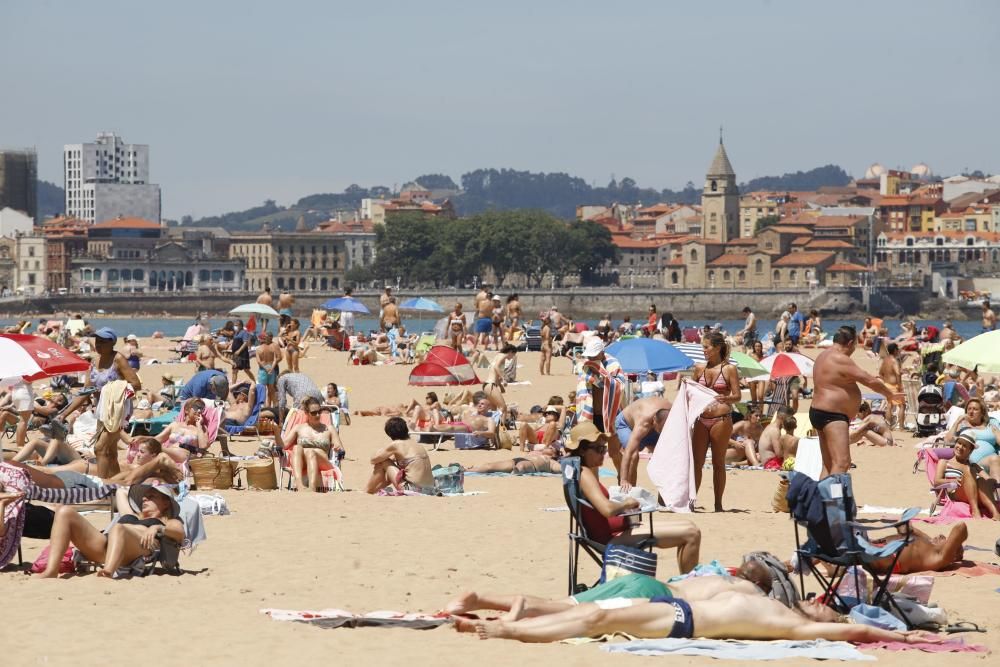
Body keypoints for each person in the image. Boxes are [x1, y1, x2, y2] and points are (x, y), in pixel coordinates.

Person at [453, 588, 939, 645]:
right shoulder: (771, 600)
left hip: (683, 623)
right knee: (598, 613)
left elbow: (852, 627)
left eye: (819, 604)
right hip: (676, 609)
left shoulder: (796, 625)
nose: (813, 601)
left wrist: (908, 640)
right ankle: (510, 627)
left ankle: (507, 630)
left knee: (595, 619)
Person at [566, 421, 701, 573]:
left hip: (620, 530)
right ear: (582, 450)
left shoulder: (583, 470)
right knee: (691, 534)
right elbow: (607, 509)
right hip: (612, 539)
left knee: (690, 526)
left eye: (603, 448)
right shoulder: (584, 474)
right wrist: (627, 503)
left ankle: (686, 582)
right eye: (598, 449)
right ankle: (689, 586)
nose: (603, 453)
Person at [810, 326, 904, 477]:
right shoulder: (840, 358)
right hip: (833, 415)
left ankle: (822, 498)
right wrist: (889, 394)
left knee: (828, 464)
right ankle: (833, 499)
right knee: (842, 463)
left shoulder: (822, 356)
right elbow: (868, 380)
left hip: (818, 412)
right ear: (850, 343)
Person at [36, 483, 184, 578]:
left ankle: (108, 572)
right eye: (143, 497)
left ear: (166, 503)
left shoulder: (168, 521)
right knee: (64, 511)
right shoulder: (130, 515)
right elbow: (121, 492)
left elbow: (179, 533)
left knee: (119, 528)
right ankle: (51, 570)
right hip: (104, 545)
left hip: (134, 550)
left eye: (151, 497)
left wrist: (157, 527)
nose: (144, 499)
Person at [692, 332, 741, 511]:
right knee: (696, 462)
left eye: (706, 347)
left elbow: (737, 396)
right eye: (703, 347)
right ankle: (692, 501)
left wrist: (725, 399)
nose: (703, 350)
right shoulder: (699, 369)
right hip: (701, 419)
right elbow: (691, 393)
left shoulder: (729, 369)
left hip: (720, 420)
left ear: (718, 347)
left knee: (718, 463)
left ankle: (718, 504)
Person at [575, 338, 627, 471]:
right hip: (592, 414)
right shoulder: (587, 365)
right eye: (590, 355)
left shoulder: (612, 364)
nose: (591, 357)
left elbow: (619, 386)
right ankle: (595, 484)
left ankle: (622, 477)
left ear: (602, 352)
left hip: (610, 415)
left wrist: (602, 374)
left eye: (594, 355)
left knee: (614, 451)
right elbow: (582, 387)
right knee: (592, 452)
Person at [282, 397, 345, 492]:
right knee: (296, 448)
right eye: (314, 413)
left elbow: (339, 447)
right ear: (306, 413)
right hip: (302, 462)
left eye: (319, 411)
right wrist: (275, 431)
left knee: (310, 452)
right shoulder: (298, 428)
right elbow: (284, 445)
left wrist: (339, 450)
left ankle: (312, 487)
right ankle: (300, 486)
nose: (318, 415)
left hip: (322, 462)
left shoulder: (329, 429)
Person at [934, 433, 999, 520]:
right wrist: (950, 481)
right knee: (968, 470)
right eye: (959, 443)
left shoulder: (974, 465)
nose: (960, 447)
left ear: (970, 450)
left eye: (964, 446)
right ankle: (975, 511)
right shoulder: (944, 462)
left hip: (977, 495)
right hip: (956, 493)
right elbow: (936, 481)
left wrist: (992, 481)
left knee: (980, 480)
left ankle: (995, 513)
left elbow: (988, 480)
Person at [366, 417, 436, 495]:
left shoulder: (397, 444)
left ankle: (367, 490)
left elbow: (373, 460)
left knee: (384, 461)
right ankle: (374, 489)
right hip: (431, 488)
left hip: (413, 489)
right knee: (392, 465)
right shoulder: (417, 444)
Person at [616, 397, 672, 491]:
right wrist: (624, 479)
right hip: (626, 424)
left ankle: (663, 499)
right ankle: (630, 491)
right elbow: (629, 452)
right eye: (661, 430)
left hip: (653, 427)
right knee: (634, 456)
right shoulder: (643, 422)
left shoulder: (674, 413)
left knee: (666, 456)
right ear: (654, 420)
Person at [944, 397, 1000, 488]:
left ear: (982, 413)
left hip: (990, 461)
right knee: (995, 459)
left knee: (995, 459)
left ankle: (997, 495)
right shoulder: (962, 426)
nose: (971, 411)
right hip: (970, 463)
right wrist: (957, 422)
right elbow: (947, 441)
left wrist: (996, 431)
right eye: (969, 409)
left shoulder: (991, 426)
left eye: (975, 409)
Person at [878, 342, 905, 428]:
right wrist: (900, 385)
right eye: (897, 349)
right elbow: (897, 373)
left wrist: (885, 381)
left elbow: (880, 373)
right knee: (902, 406)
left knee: (889, 406)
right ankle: (901, 427)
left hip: (886, 385)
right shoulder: (894, 361)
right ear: (894, 350)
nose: (898, 351)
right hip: (894, 386)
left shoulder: (885, 360)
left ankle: (889, 426)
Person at [483, 344, 516, 412]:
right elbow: (496, 367)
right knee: (503, 408)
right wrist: (503, 378)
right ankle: (502, 423)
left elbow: (495, 373)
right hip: (491, 385)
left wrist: (501, 386)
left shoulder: (498, 355)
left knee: (493, 409)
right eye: (513, 355)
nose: (512, 357)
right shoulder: (503, 356)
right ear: (510, 352)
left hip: (488, 385)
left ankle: (493, 422)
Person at [256, 331, 280, 408]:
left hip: (263, 370)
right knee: (271, 389)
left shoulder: (259, 349)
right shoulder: (271, 348)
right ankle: (276, 405)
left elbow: (259, 362)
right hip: (271, 369)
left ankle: (263, 406)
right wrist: (271, 369)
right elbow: (276, 359)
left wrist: (266, 369)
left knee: (262, 389)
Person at [229, 319, 255, 384]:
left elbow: (245, 343)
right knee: (234, 370)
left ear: (240, 326)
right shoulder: (236, 333)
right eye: (234, 325)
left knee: (246, 370)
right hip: (236, 355)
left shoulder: (244, 332)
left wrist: (239, 351)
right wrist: (230, 348)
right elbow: (234, 342)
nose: (235, 327)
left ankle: (254, 382)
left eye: (236, 325)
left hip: (243, 354)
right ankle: (233, 385)